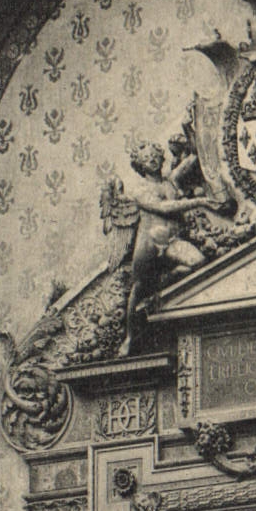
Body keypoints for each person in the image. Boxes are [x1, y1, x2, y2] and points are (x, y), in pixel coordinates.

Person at [100, 139, 227, 355]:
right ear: (139, 165)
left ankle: (162, 286)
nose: (152, 160)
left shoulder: (169, 182)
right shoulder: (141, 190)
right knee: (138, 288)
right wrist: (201, 201)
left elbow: (193, 161)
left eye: (155, 156)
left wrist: (191, 137)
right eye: (146, 159)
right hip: (150, 244)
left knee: (199, 262)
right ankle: (130, 337)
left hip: (172, 241)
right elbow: (164, 207)